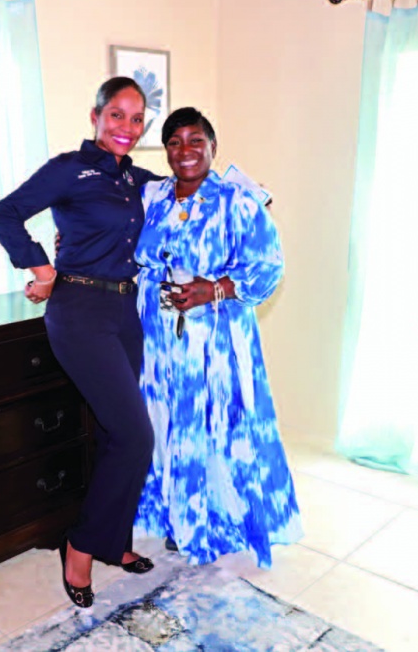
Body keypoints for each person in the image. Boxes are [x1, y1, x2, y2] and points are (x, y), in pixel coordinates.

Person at [0, 77, 159, 608]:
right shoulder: (70, 168)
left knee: (116, 435)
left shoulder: (140, 180)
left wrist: (241, 193)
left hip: (125, 310)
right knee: (136, 436)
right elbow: (4, 212)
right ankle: (81, 547)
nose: (126, 127)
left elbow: (189, 196)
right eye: (117, 115)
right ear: (96, 116)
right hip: (80, 310)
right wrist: (41, 266)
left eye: (137, 119)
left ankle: (114, 542)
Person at [133, 107, 303, 569]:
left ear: (212, 146)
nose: (185, 151)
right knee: (166, 421)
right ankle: (175, 514)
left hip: (217, 338)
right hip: (159, 336)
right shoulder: (153, 198)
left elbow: (268, 267)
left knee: (215, 422)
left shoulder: (238, 202)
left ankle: (216, 517)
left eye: (195, 141)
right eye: (174, 142)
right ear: (165, 150)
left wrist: (216, 288)